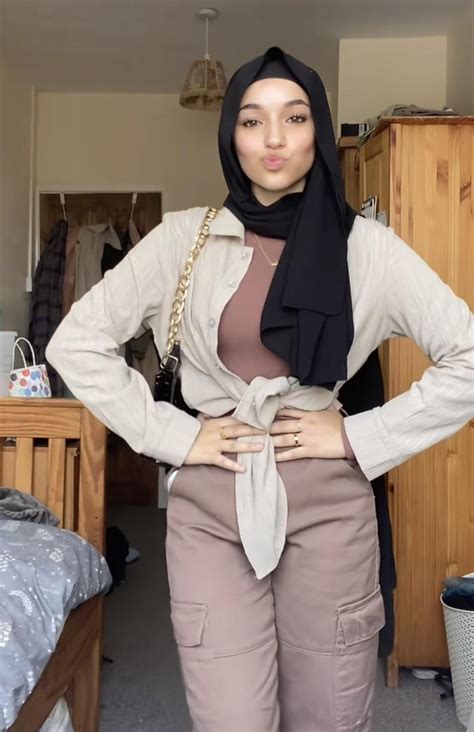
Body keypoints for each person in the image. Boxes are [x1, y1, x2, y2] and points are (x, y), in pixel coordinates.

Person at [46, 47, 474, 732]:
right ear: (231, 137)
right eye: (252, 120)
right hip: (211, 508)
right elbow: (75, 342)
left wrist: (358, 434)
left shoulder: (366, 247)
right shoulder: (181, 240)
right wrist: (175, 435)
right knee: (233, 719)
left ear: (317, 130)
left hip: (330, 509)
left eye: (294, 117)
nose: (273, 138)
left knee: (329, 714)